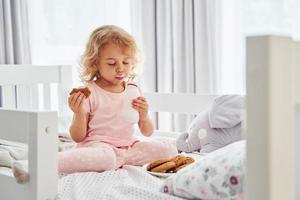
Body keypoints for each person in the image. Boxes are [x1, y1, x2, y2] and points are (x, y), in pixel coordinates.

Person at [59, 25, 178, 174]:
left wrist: (144, 114)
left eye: (126, 62)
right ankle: (47, 163)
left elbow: (147, 132)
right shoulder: (90, 92)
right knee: (106, 158)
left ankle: (118, 161)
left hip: (128, 148)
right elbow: (78, 137)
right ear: (95, 63)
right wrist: (78, 113)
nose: (120, 68)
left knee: (169, 150)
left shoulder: (133, 89)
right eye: (112, 63)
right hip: (99, 147)